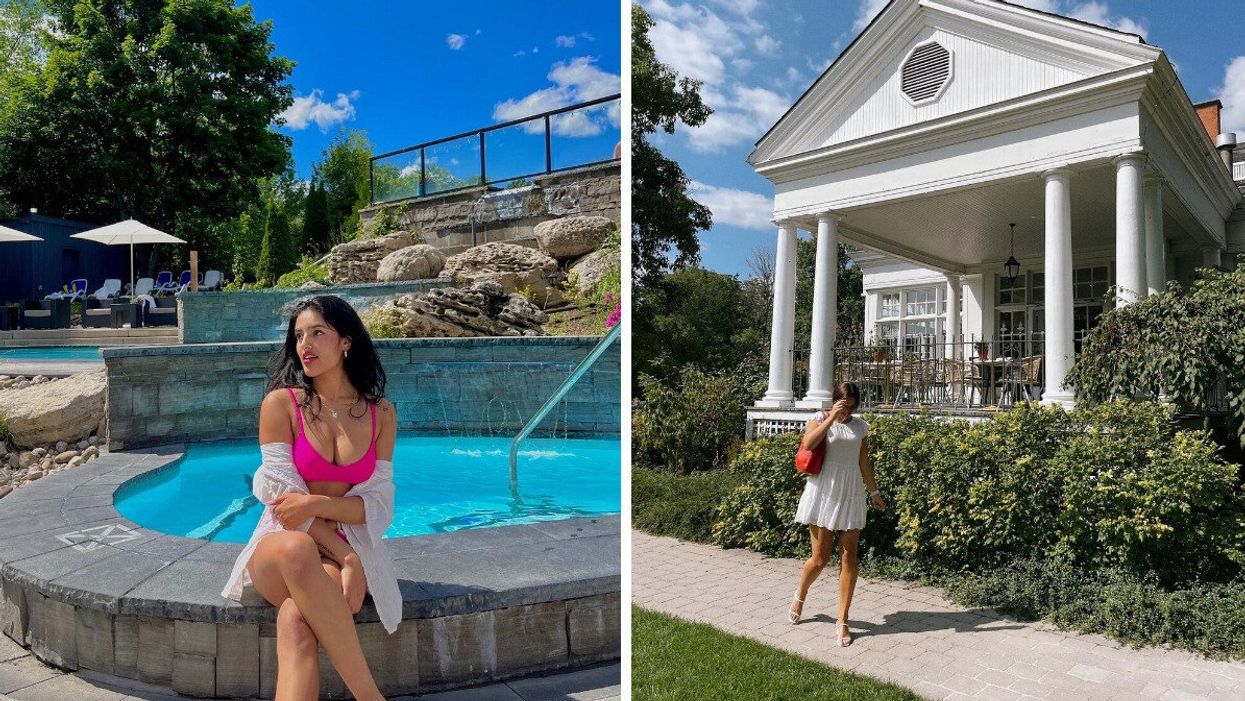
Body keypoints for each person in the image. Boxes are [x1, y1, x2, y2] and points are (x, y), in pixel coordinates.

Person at [220, 295, 400, 701]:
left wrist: (316, 505)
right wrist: (347, 556)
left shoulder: (381, 414)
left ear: (346, 342)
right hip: (281, 546)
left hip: (341, 550)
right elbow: (283, 505)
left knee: (298, 620)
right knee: (298, 546)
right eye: (299, 335)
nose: (306, 344)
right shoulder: (281, 405)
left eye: (318, 332)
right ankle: (370, 696)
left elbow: (379, 507)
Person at [787, 382, 886, 647]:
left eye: (852, 407)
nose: (848, 412)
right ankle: (801, 593)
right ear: (835, 401)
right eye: (844, 406)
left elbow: (863, 462)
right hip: (824, 492)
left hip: (851, 491)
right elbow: (808, 444)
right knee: (820, 558)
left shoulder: (860, 426)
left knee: (849, 557)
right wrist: (832, 416)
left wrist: (874, 493)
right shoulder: (820, 418)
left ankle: (842, 620)